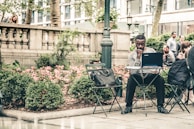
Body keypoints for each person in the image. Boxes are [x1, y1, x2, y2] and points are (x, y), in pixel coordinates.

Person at [122, 34, 168, 114]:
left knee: (160, 80)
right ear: (135, 44)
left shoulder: (151, 51)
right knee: (131, 79)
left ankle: (160, 106)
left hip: (150, 75)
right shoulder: (132, 55)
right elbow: (132, 71)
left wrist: (156, 70)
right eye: (138, 44)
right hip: (138, 76)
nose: (140, 46)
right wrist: (138, 58)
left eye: (142, 44)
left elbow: (157, 64)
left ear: (145, 43)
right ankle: (128, 106)